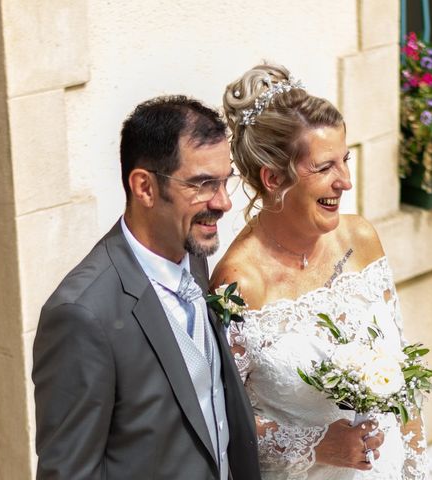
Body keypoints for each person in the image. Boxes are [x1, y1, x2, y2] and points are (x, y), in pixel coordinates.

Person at [210, 64, 429, 479]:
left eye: (344, 161)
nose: (344, 181)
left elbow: (405, 381)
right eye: (325, 167)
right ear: (273, 178)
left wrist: (415, 469)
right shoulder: (239, 285)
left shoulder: (360, 239)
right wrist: (314, 445)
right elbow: (224, 425)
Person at [33, 96, 262, 480]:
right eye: (203, 184)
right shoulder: (82, 315)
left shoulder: (195, 256)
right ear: (144, 187)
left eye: (225, 181)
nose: (223, 203)